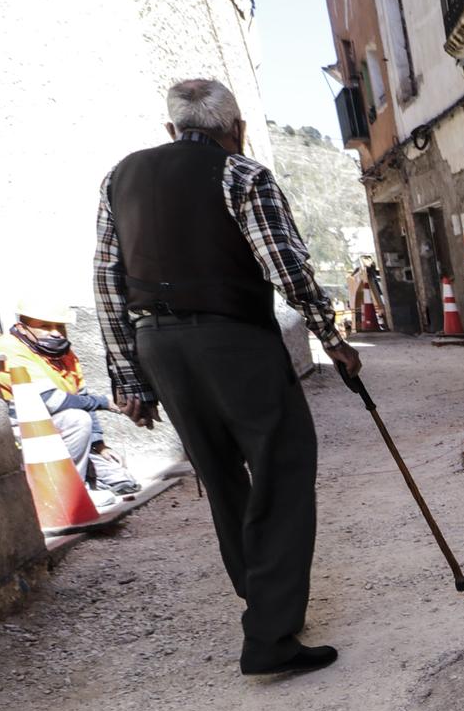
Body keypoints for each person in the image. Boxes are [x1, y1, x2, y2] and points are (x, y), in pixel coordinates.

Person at [93, 78, 362, 677]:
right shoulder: (241, 174)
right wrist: (333, 337)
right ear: (235, 127)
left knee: (219, 476)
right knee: (283, 466)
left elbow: (107, 282)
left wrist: (128, 379)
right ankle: (270, 636)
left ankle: (266, 610)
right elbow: (286, 266)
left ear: (171, 130)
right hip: (233, 339)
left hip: (158, 343)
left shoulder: (120, 177)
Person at [0, 298, 140, 497]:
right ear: (23, 327)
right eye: (45, 326)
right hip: (25, 433)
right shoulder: (10, 348)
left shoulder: (62, 351)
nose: (55, 332)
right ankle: (72, 495)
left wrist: (99, 445)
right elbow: (50, 401)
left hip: (57, 428)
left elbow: (81, 395)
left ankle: (90, 475)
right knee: (76, 420)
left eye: (60, 326)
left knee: (122, 479)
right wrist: (104, 402)